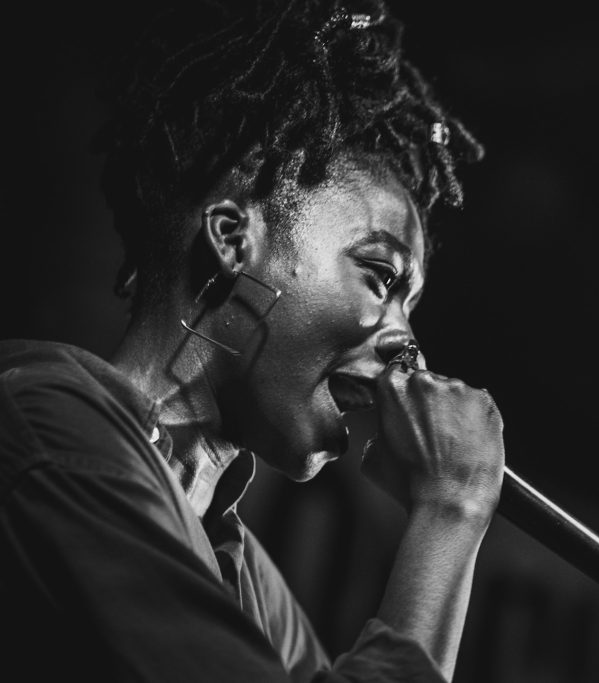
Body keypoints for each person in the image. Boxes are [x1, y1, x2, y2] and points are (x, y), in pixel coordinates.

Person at [0, 1, 505, 680]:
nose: (406, 344)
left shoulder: (248, 581)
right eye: (380, 276)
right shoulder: (46, 422)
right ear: (234, 238)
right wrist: (450, 508)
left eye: (409, 307)